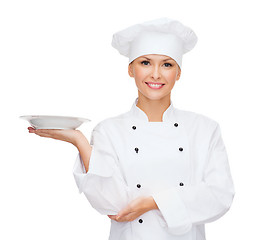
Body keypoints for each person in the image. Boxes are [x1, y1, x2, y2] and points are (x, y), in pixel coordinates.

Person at [28, 18, 235, 240]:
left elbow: (219, 195)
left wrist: (154, 202)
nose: (156, 74)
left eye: (167, 64)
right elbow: (111, 204)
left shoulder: (204, 130)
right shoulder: (108, 130)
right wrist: (79, 141)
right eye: (145, 63)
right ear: (130, 69)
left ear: (179, 73)